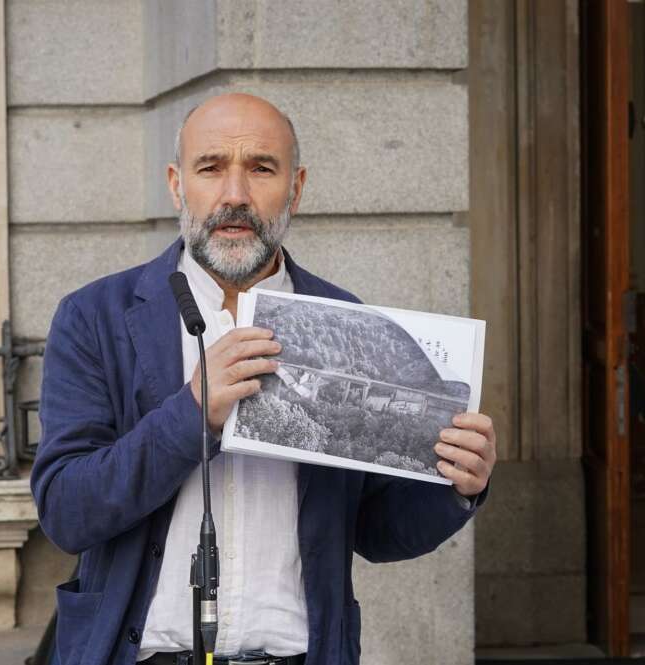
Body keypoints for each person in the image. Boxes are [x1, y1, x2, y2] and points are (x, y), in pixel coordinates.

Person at [31, 93, 496, 665]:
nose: (235, 195)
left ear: (296, 187)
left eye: (260, 168)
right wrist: (192, 413)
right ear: (177, 185)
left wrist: (457, 487)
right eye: (211, 168)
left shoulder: (348, 323)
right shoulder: (95, 316)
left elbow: (376, 529)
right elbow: (66, 512)